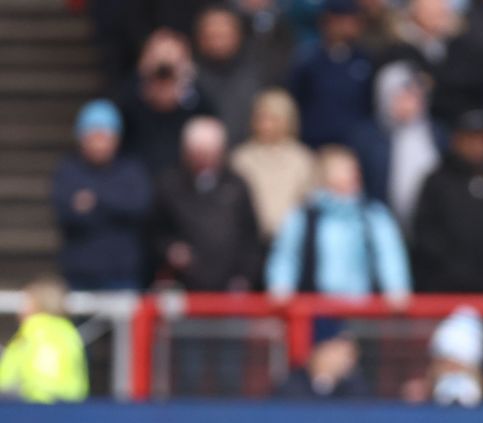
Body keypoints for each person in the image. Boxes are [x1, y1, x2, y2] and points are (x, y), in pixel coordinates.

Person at [266, 146, 411, 303]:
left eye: (354, 169)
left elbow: (389, 255)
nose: (352, 175)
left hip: (362, 309)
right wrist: (280, 287)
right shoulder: (303, 216)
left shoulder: (373, 215)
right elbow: (287, 256)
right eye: (343, 170)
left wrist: (397, 289)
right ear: (324, 175)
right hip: (316, 308)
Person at [411, 110, 483, 292]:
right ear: (456, 141)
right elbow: (426, 233)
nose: (477, 146)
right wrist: (455, 269)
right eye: (470, 139)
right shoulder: (438, 181)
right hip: (446, 289)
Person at [52, 99, 153, 290]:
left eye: (105, 136)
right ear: (81, 138)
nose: (99, 143)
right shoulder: (68, 170)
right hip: (79, 273)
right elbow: (65, 212)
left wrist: (96, 200)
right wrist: (115, 204)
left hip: (123, 272)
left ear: (117, 138)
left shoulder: (131, 170)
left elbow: (139, 207)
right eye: (93, 136)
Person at [150, 117, 261, 292]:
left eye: (209, 153)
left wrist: (245, 277)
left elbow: (251, 237)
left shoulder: (237, 186)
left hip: (230, 289)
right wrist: (170, 249)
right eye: (197, 153)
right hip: (184, 288)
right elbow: (155, 233)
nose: (203, 160)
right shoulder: (169, 185)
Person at [352, 62, 442, 235]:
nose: (410, 101)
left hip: (430, 230)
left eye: (415, 94)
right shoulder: (367, 137)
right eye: (402, 95)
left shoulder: (437, 133)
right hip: (382, 227)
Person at [118, 28, 216, 175]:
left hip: (184, 178)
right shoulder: (133, 94)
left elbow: (210, 120)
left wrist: (186, 81)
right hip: (139, 175)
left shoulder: (195, 98)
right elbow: (119, 118)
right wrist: (143, 76)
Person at [231, 90, 317, 241]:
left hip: (291, 239)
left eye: (273, 119)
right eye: (262, 118)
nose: (266, 125)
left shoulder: (302, 158)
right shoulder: (242, 158)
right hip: (251, 239)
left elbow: (309, 201)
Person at [288, 0, 375, 148]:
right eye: (341, 20)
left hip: (354, 146)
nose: (348, 26)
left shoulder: (364, 60)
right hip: (313, 142)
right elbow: (295, 98)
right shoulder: (309, 59)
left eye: (353, 20)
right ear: (328, 21)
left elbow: (369, 104)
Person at [0, 277, 88, 404]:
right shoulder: (70, 333)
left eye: (25, 304)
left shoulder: (30, 331)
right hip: (70, 407)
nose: (19, 310)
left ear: (35, 305)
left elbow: (7, 377)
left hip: (30, 406)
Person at [194, 5, 261, 146]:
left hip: (246, 151)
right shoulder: (189, 76)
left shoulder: (256, 73)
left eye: (223, 36)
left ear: (237, 36)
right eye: (212, 36)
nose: (217, 43)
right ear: (200, 39)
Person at [274, 329, 371, 400]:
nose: (345, 361)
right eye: (336, 352)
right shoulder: (293, 384)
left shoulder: (355, 387)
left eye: (350, 355)